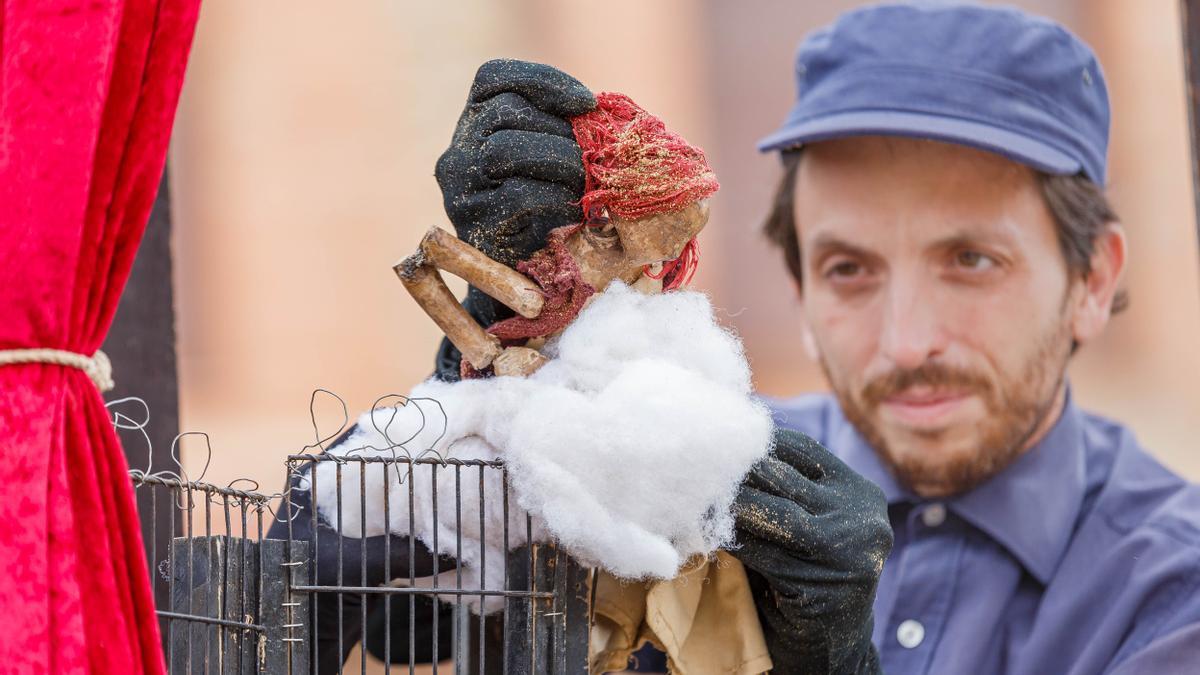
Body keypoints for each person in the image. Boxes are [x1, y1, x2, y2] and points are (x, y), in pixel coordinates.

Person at [755, 3, 1200, 673]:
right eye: (848, 271)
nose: (907, 344)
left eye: (971, 261)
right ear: (801, 295)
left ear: (1092, 281)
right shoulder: (704, 498)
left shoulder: (1171, 592)